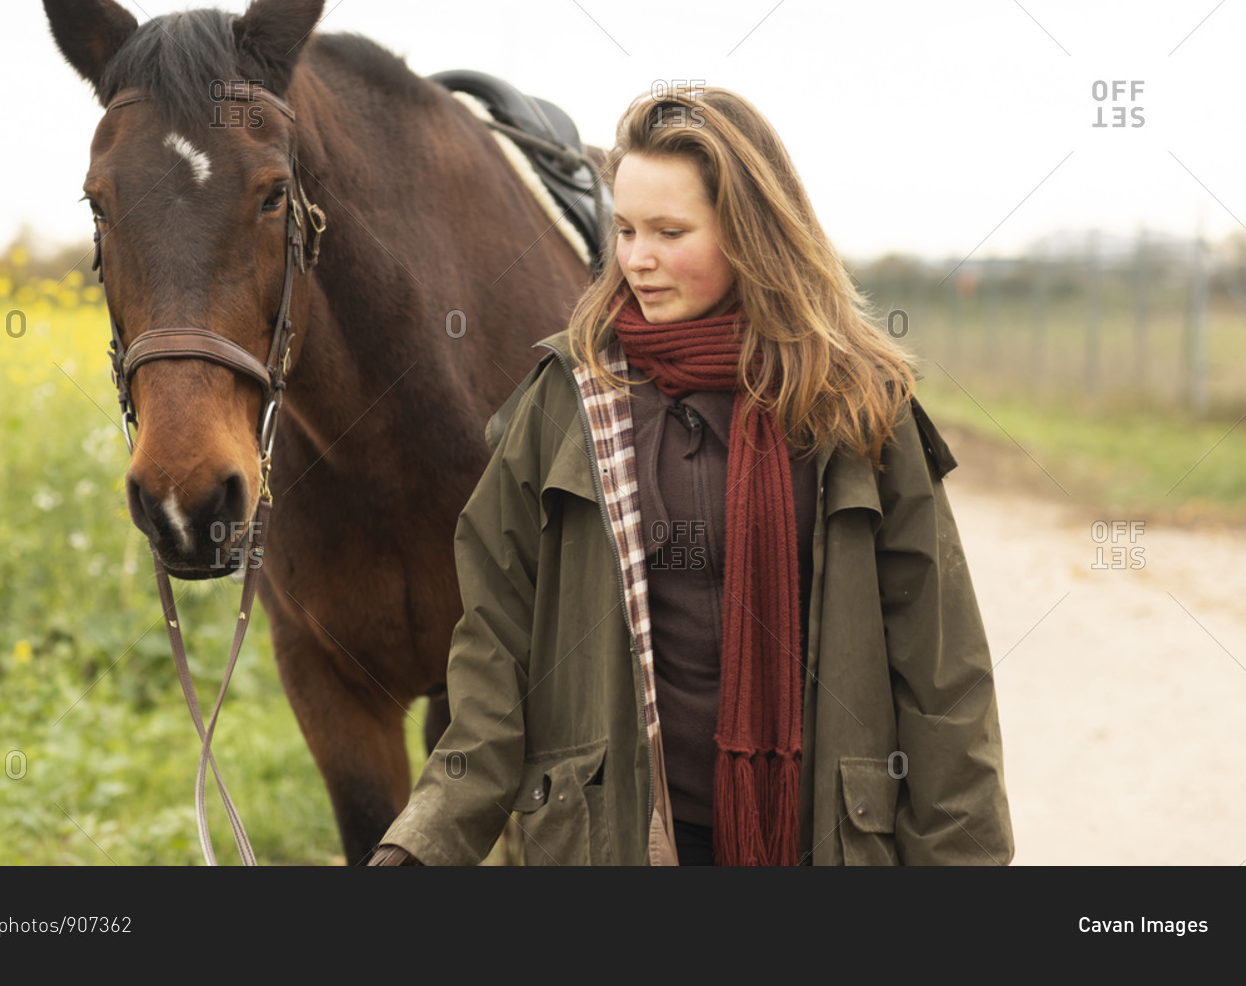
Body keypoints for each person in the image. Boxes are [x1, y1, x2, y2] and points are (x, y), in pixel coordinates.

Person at [368, 85, 1014, 865]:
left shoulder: (859, 407)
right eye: (627, 230)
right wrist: (424, 841)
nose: (637, 259)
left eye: (670, 232)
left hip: (824, 843)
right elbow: (495, 653)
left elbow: (942, 671)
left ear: (748, 233)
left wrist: (962, 859)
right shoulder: (567, 402)